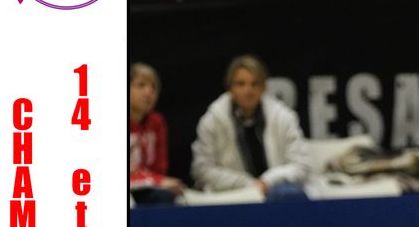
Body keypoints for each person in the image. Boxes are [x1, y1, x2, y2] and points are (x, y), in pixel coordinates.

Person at [190, 53, 313, 197]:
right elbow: (201, 170)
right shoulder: (213, 120)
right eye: (241, 84)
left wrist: (268, 181)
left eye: (255, 84)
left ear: (263, 88)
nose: (248, 91)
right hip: (233, 193)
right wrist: (248, 185)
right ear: (230, 88)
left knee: (288, 193)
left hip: (275, 190)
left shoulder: (283, 117)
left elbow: (302, 165)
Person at [129, 63, 186, 205]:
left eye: (153, 87)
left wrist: (156, 180)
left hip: (147, 187)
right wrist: (157, 180)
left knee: (176, 198)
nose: (148, 92)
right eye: (141, 85)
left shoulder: (157, 122)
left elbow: (160, 168)